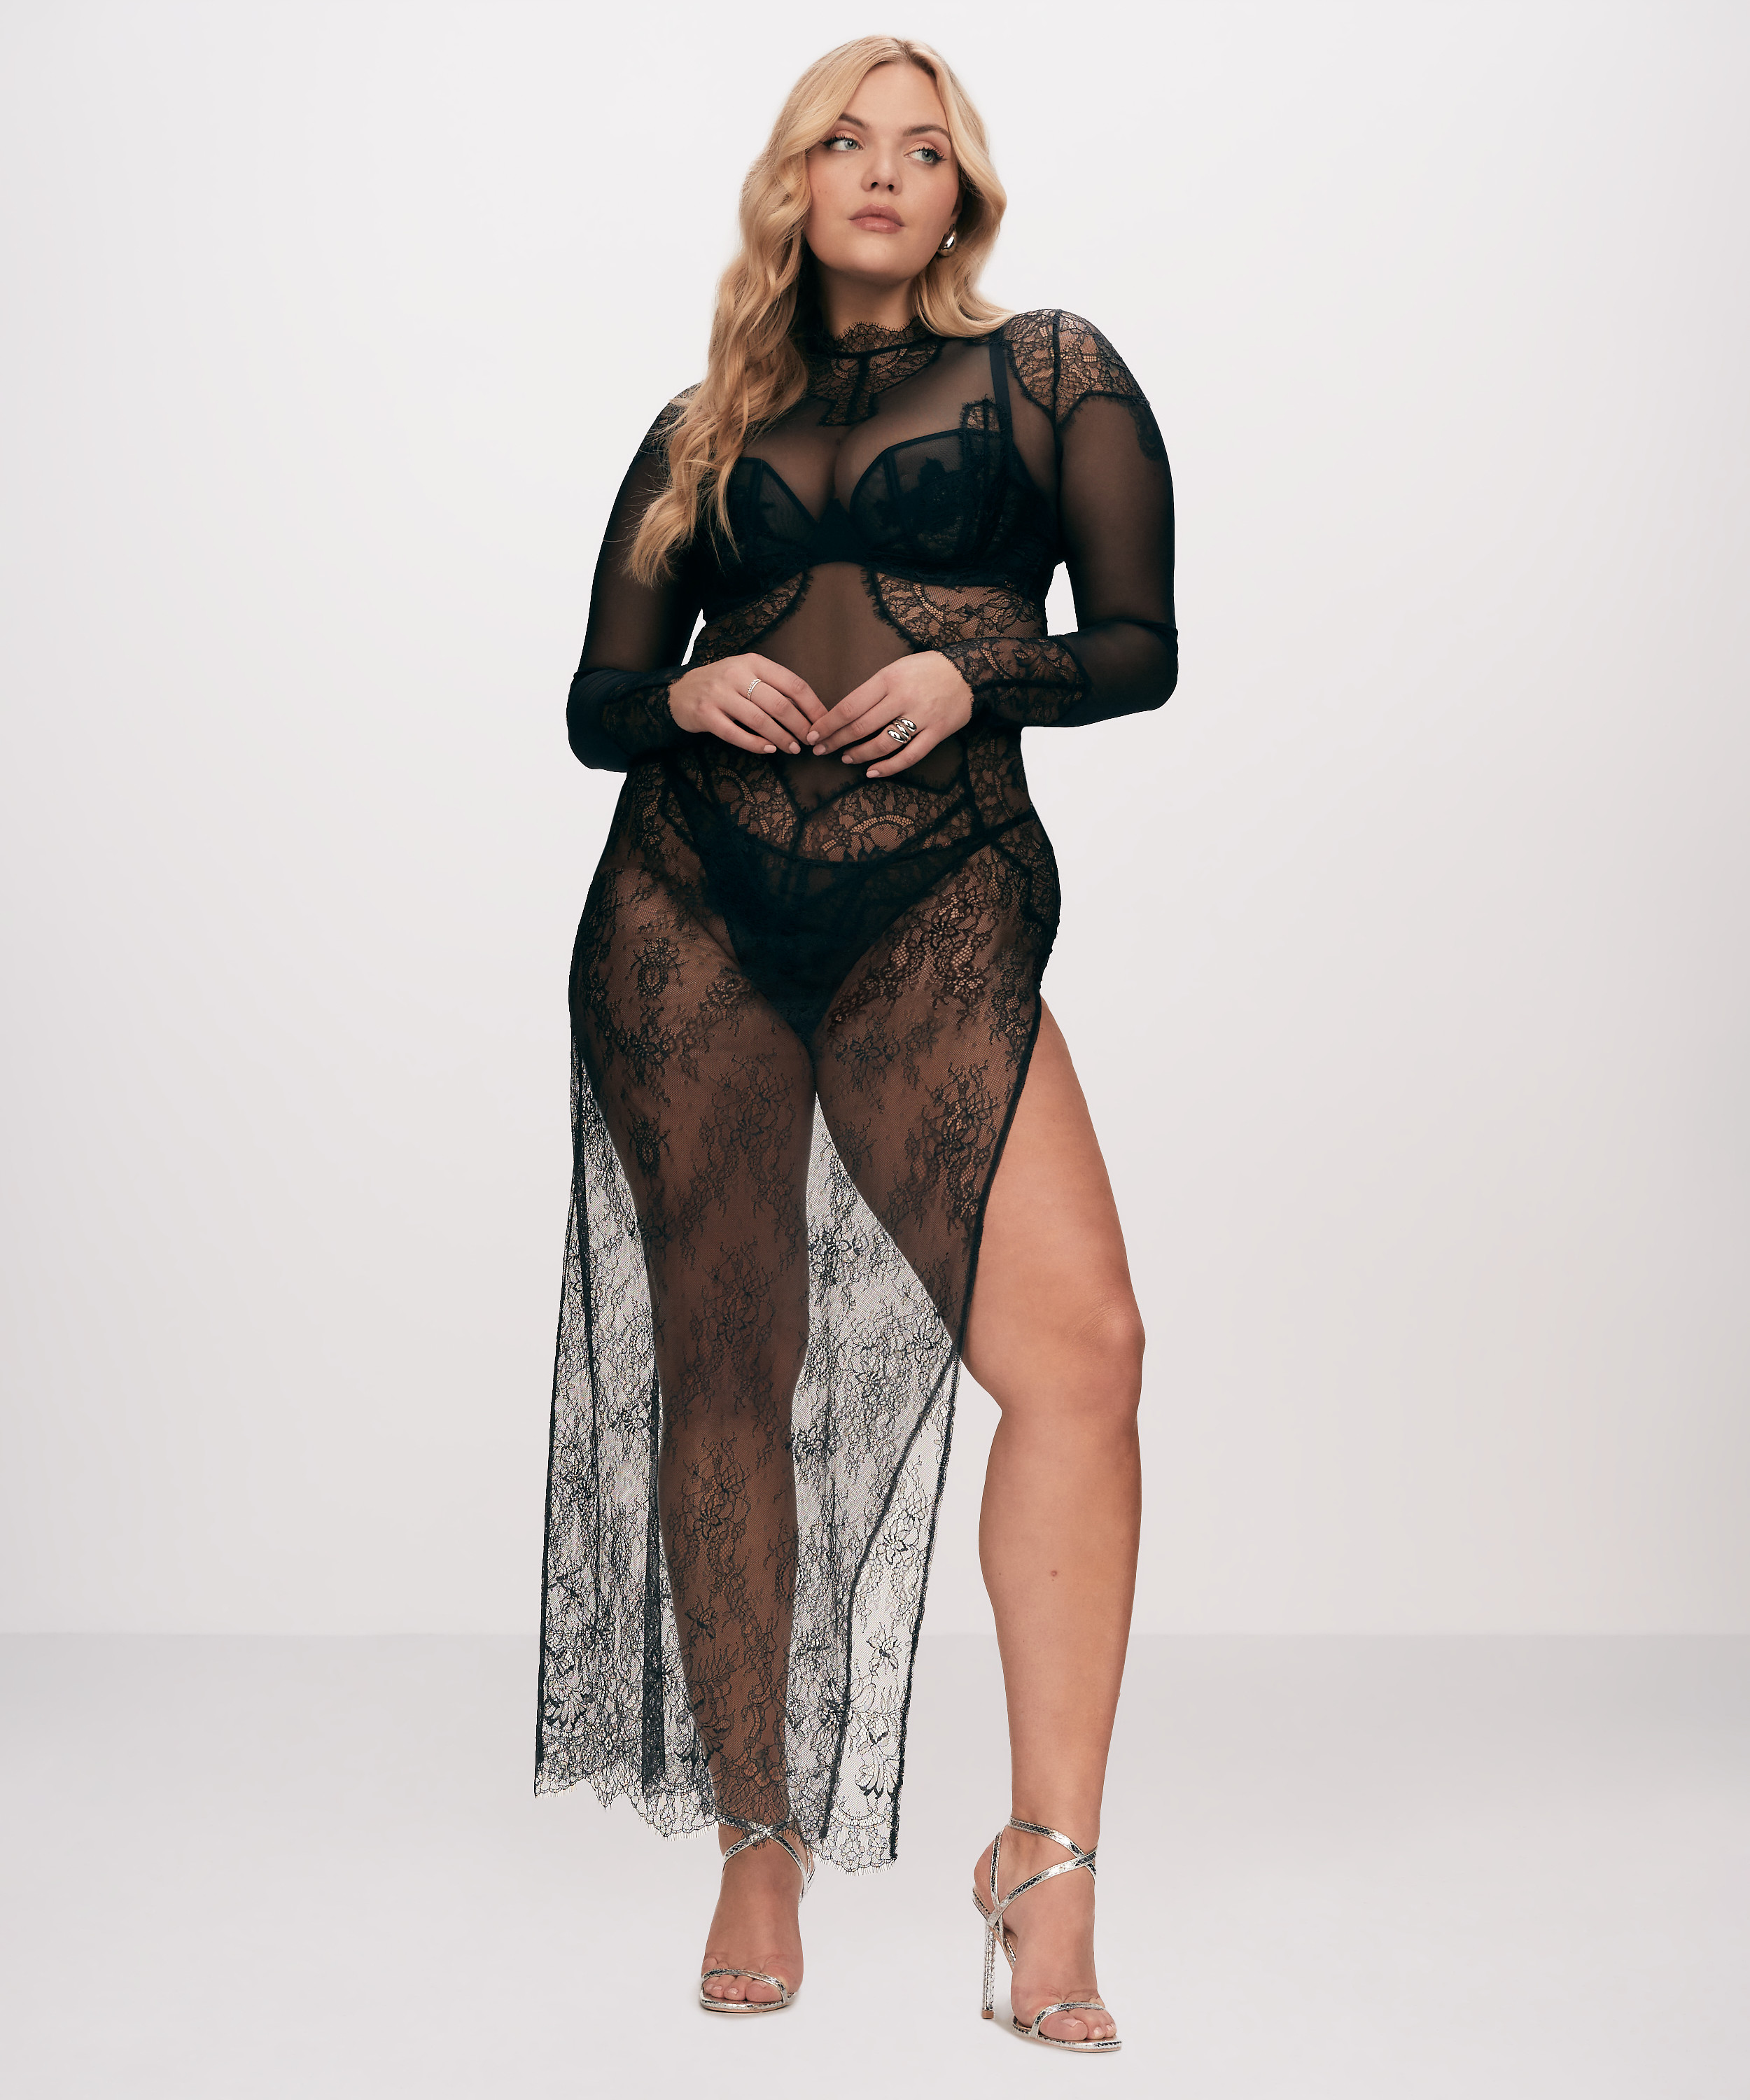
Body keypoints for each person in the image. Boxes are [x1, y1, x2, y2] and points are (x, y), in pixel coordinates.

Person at [536, 34, 1176, 2054]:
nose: (883, 171)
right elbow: (595, 701)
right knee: (729, 1365)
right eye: (845, 139)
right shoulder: (694, 426)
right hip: (688, 910)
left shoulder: (1050, 373)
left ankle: (1047, 1867)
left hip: (935, 901)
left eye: (921, 147)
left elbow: (1140, 648)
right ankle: (757, 1839)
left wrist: (978, 670)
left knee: (1079, 1353)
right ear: (793, 183)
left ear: (959, 191)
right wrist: (684, 700)